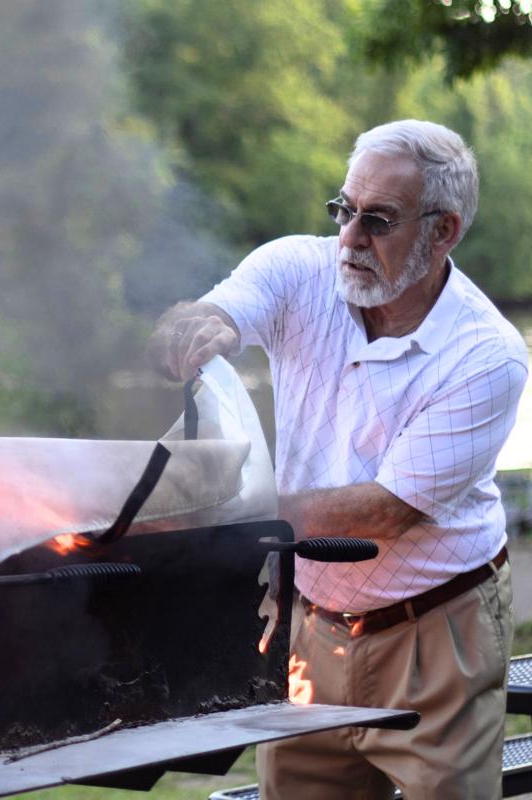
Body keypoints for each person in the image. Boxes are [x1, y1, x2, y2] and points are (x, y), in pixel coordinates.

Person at [147, 120, 529, 800]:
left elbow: (385, 512)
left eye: (378, 220)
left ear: (443, 232)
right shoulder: (298, 268)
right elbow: (223, 310)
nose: (349, 238)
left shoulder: (487, 355)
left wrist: (225, 515)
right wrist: (196, 328)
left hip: (438, 634)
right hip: (312, 626)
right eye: (344, 209)